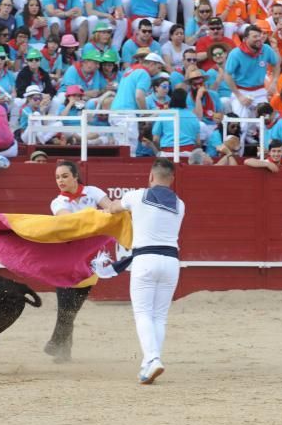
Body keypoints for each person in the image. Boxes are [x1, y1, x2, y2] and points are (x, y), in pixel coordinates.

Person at [103, 158, 185, 385]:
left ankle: (153, 358)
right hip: (170, 262)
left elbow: (112, 209)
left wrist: (103, 202)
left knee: (143, 313)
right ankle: (147, 365)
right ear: (172, 180)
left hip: (145, 260)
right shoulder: (180, 204)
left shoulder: (136, 196)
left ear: (150, 177)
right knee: (159, 316)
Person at [45, 160, 112, 363]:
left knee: (73, 306)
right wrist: (97, 216)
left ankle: (60, 345)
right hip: (65, 260)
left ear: (75, 176)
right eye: (57, 177)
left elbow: (110, 208)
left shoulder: (92, 192)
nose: (61, 181)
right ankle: (62, 349)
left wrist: (104, 213)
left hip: (90, 261)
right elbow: (69, 221)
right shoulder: (58, 202)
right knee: (66, 305)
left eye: (65, 176)